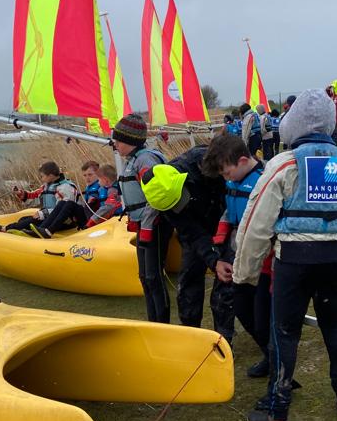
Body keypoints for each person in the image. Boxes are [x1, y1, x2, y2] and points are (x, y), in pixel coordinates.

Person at [233, 88, 337, 421]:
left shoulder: (282, 165)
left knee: (285, 332)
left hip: (294, 261)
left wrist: (244, 274)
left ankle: (277, 413)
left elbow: (256, 225)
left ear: (293, 125)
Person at [202, 133, 271, 377]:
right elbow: (228, 215)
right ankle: (269, 354)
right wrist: (221, 249)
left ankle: (277, 363)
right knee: (242, 309)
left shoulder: (265, 180)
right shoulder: (233, 182)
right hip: (238, 256)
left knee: (265, 317)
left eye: (226, 172)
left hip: (264, 261)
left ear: (242, 161)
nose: (225, 178)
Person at [139, 144, 225, 328]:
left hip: (225, 217)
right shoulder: (164, 203)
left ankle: (224, 334)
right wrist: (214, 260)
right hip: (197, 229)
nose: (181, 206)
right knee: (188, 283)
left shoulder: (206, 160)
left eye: (180, 200)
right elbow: (191, 232)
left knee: (225, 287)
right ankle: (191, 331)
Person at [113, 113, 171, 323]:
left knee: (154, 277)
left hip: (155, 225)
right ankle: (153, 321)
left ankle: (162, 325)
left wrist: (147, 227)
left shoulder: (146, 160)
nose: (115, 144)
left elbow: (157, 196)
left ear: (130, 140)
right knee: (145, 277)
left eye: (118, 140)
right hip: (143, 225)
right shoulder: (132, 160)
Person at [0, 161, 80, 236]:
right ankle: (22, 231)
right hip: (48, 217)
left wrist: (42, 213)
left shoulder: (65, 188)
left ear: (50, 175)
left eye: (42, 176)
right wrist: (21, 194)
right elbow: (34, 197)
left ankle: (4, 229)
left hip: (63, 221)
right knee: (23, 220)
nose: (41, 179)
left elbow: (63, 210)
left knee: (31, 221)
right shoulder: (47, 186)